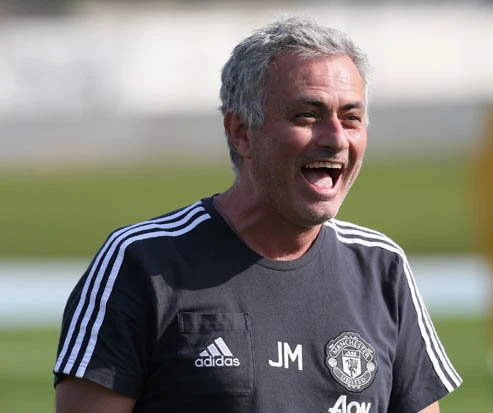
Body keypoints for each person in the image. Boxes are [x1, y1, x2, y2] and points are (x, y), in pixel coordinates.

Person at [53, 16, 462, 413]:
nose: (336, 138)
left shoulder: (382, 268)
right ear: (242, 133)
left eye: (351, 118)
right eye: (307, 115)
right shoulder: (142, 261)